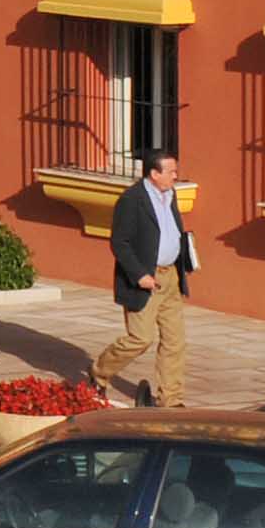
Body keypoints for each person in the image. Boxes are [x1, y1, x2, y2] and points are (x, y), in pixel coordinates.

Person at [92, 149, 198, 407]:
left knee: (175, 341)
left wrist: (185, 256)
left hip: (171, 276)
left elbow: (169, 231)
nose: (176, 176)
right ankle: (99, 372)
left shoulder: (169, 194)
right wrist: (139, 275)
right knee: (140, 339)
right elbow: (120, 242)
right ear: (154, 173)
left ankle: (171, 399)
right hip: (146, 279)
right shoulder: (132, 199)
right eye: (171, 171)